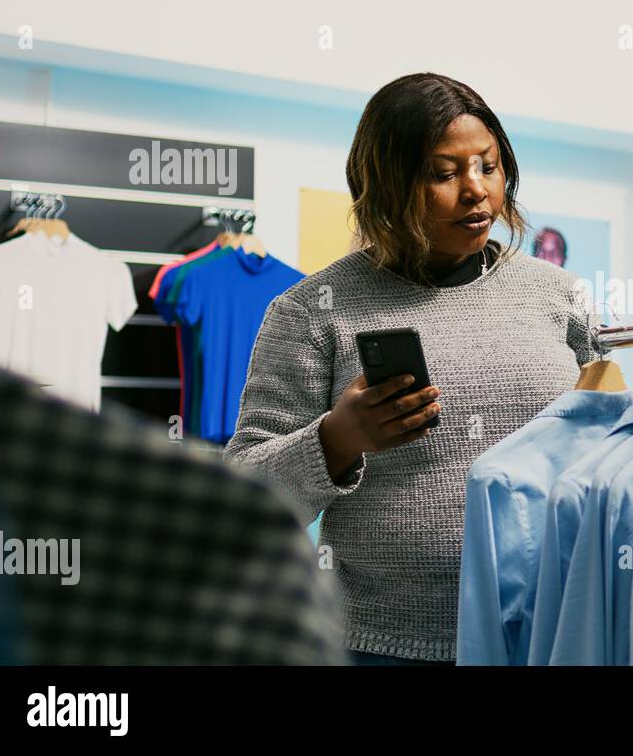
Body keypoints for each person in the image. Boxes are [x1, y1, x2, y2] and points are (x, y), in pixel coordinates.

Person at [224, 73, 597, 665]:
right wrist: (339, 438)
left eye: (489, 166)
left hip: (551, 635)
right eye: (444, 174)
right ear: (386, 186)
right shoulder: (311, 310)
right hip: (380, 647)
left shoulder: (562, 298)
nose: (476, 191)